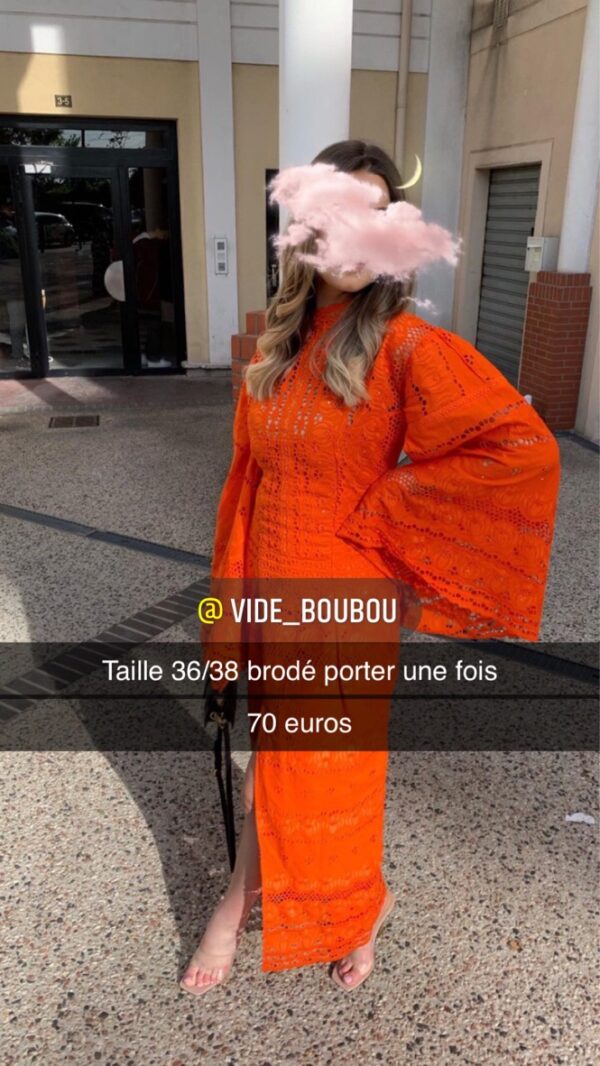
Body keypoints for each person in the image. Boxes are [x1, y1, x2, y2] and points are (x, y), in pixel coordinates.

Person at [180, 140, 561, 994]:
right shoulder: (277, 343)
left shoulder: (406, 346)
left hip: (343, 603)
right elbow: (246, 482)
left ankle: (234, 910)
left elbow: (520, 449)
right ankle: (366, 901)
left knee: (298, 768)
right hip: (271, 591)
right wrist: (226, 614)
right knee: (295, 765)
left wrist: (383, 513)